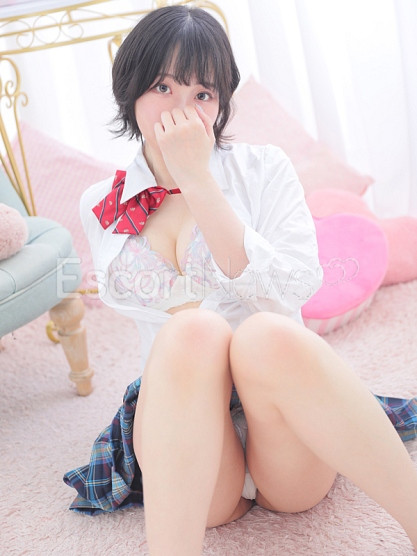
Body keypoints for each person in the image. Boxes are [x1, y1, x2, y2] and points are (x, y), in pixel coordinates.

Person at [64, 5, 417, 555]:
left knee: (264, 333)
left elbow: (294, 291)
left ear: (222, 103)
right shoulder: (101, 202)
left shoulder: (264, 169)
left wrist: (198, 182)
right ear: (131, 90)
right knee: (192, 332)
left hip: (284, 409)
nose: (182, 109)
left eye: (202, 93)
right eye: (163, 86)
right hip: (185, 426)